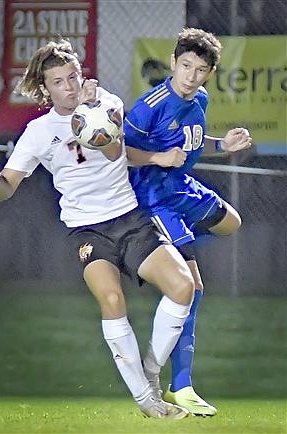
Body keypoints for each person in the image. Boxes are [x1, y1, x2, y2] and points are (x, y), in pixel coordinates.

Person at [0, 38, 194, 419]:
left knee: (183, 287)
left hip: (129, 218)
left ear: (82, 75)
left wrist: (93, 112)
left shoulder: (108, 104)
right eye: (58, 82)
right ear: (45, 89)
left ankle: (150, 371)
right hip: (88, 231)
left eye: (73, 77)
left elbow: (116, 153)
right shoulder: (37, 132)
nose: (68, 87)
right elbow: (4, 189)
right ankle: (148, 402)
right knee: (112, 301)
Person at [124, 28, 252, 416]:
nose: (190, 76)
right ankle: (181, 385)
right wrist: (158, 159)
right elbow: (122, 152)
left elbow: (194, 142)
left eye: (199, 70)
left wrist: (222, 146)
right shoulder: (151, 104)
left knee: (232, 222)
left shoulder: (201, 99)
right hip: (155, 199)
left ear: (210, 73)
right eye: (185, 66)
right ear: (174, 62)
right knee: (193, 287)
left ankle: (167, 251)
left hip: (183, 188)